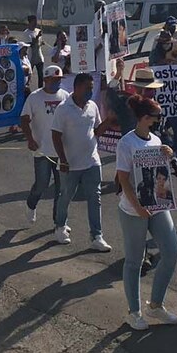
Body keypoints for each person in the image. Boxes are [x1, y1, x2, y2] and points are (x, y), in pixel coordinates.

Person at [115, 95, 177, 331]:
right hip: (134, 209)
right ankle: (134, 312)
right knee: (134, 262)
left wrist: (168, 154)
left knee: (172, 252)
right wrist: (138, 207)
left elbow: (160, 174)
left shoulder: (155, 139)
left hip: (157, 205)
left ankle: (156, 305)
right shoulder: (126, 143)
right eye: (157, 117)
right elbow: (123, 179)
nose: (160, 121)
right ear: (145, 118)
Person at [51, 72, 115, 251]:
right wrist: (62, 159)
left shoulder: (92, 106)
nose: (90, 91)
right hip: (70, 164)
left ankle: (96, 236)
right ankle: (60, 226)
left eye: (91, 88)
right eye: (88, 88)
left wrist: (109, 121)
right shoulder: (63, 109)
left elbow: (96, 131)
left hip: (92, 161)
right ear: (77, 87)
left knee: (95, 197)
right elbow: (56, 135)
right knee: (66, 196)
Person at [20, 64, 69, 225]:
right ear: (46, 80)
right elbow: (24, 120)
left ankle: (59, 222)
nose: (57, 83)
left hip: (61, 151)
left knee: (61, 189)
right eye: (54, 80)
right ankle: (31, 204)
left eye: (59, 80)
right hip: (41, 150)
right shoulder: (34, 97)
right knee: (41, 184)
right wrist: (30, 139)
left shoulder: (66, 96)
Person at [24, 15, 45, 88]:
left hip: (39, 56)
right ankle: (26, 88)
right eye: (34, 21)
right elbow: (31, 45)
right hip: (31, 57)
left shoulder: (38, 30)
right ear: (30, 22)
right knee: (29, 74)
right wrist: (37, 37)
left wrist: (41, 42)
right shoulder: (27, 33)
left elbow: (39, 42)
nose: (36, 23)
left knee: (41, 75)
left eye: (36, 21)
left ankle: (41, 89)